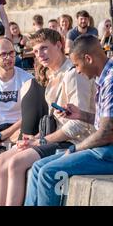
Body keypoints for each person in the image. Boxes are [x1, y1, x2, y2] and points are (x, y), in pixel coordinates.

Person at [0, 29, 95, 206]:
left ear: (59, 45)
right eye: (37, 50)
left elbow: (79, 125)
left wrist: (41, 141)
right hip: (56, 138)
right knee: (0, 161)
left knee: (15, 163)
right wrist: (35, 138)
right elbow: (56, 121)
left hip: (75, 142)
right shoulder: (52, 76)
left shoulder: (74, 74)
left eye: (44, 48)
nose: (40, 54)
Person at [25, 34, 113, 206]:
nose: (77, 70)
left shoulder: (110, 81)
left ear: (88, 58)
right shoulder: (104, 78)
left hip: (108, 152)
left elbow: (106, 133)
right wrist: (82, 115)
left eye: (77, 65)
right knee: (37, 168)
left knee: (49, 172)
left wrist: (74, 149)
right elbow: (108, 123)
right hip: (104, 149)